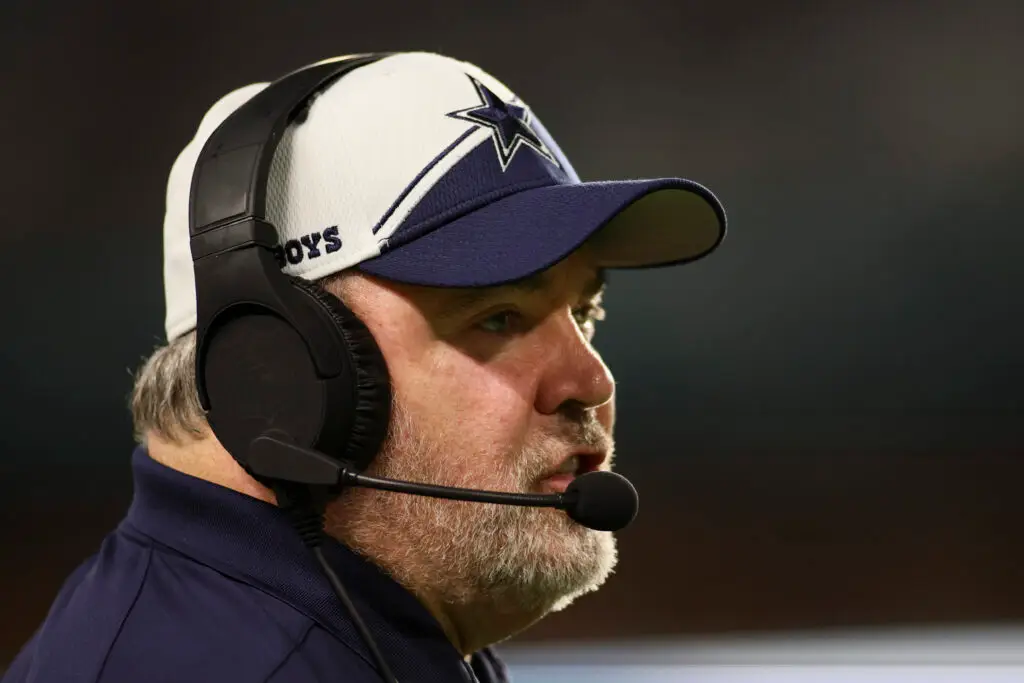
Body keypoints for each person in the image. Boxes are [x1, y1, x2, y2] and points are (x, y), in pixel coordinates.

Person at [3, 52, 726, 682]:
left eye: (586, 313)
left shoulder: (341, 622)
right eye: (498, 317)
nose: (590, 381)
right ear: (278, 377)